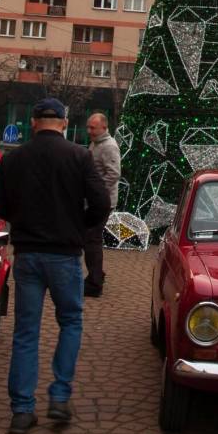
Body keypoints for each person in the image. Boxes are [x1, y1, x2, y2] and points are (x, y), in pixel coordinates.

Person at [0, 98, 111, 434]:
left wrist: (24, 221)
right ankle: (59, 397)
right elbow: (101, 202)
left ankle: (22, 411)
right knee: (70, 322)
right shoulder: (78, 156)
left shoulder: (14, 159)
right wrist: (81, 227)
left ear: (32, 122)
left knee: (26, 332)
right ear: (64, 122)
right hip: (65, 254)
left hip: (27, 254)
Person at [84, 113, 121, 298]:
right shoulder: (97, 143)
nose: (89, 131)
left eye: (93, 128)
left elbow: (113, 174)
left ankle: (94, 282)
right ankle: (96, 275)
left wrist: (96, 193)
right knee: (90, 239)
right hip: (97, 200)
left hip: (102, 201)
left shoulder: (108, 146)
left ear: (104, 127)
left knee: (92, 240)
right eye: (88, 127)